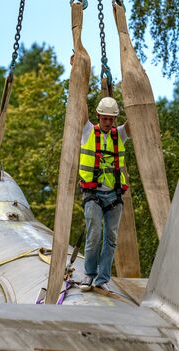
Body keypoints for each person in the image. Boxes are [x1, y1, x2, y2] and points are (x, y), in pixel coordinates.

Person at [79, 97, 130, 292]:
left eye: (112, 119)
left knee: (111, 238)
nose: (108, 122)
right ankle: (89, 275)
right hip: (93, 194)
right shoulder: (88, 131)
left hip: (114, 197)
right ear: (98, 116)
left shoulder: (120, 135)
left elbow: (133, 121)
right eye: (105, 118)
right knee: (94, 235)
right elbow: (80, 107)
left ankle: (102, 279)